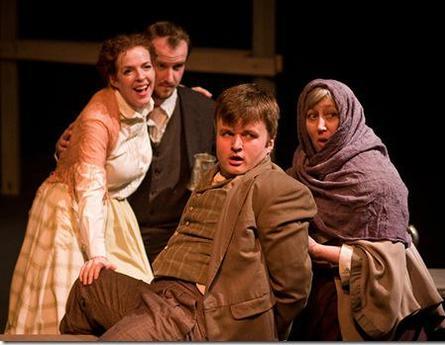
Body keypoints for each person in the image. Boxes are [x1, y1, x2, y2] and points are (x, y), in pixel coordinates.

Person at [59, 83, 317, 341]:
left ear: (270, 143)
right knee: (88, 287)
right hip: (158, 295)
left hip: (195, 311)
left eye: (249, 135)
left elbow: (293, 289)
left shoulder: (276, 188)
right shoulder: (211, 173)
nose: (236, 145)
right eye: (227, 134)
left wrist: (253, 330)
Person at [5, 33, 156, 334]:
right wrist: (97, 254)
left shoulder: (141, 99)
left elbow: (165, 88)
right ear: (113, 79)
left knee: (131, 299)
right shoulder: (98, 120)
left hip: (112, 209)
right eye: (129, 71)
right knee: (68, 304)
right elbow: (88, 189)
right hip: (72, 211)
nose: (141, 77)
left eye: (147, 66)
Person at [287, 78, 445, 341]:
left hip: (369, 300)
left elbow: (388, 260)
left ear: (348, 118)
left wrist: (316, 250)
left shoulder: (377, 179)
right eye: (311, 116)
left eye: (331, 115)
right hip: (313, 300)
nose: (320, 126)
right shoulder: (302, 166)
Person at [57, 21, 215, 263]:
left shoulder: (202, 109)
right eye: (160, 66)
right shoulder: (108, 108)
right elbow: (82, 164)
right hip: (117, 231)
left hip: (176, 236)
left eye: (178, 66)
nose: (169, 77)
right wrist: (66, 152)